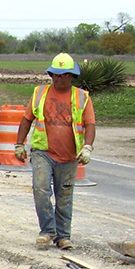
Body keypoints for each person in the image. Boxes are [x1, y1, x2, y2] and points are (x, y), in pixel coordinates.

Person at [14, 53, 96, 251]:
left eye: (65, 75)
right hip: (44, 151)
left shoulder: (82, 97)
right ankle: (47, 231)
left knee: (64, 196)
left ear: (71, 76)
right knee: (41, 189)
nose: (60, 79)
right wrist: (19, 143)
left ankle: (63, 236)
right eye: (56, 75)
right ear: (51, 75)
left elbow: (90, 124)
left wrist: (87, 147)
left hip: (69, 155)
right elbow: (27, 119)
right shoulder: (40, 93)